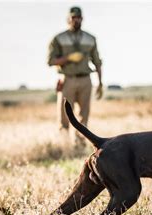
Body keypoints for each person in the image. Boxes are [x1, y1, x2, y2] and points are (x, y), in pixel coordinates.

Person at [47, 6, 103, 145]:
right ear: (68, 19)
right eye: (73, 18)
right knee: (64, 115)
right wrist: (68, 58)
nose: (76, 20)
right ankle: (65, 147)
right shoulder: (59, 38)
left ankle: (79, 146)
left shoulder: (90, 39)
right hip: (68, 79)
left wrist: (100, 83)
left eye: (78, 18)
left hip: (85, 80)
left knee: (84, 116)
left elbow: (97, 62)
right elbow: (50, 61)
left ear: (82, 19)